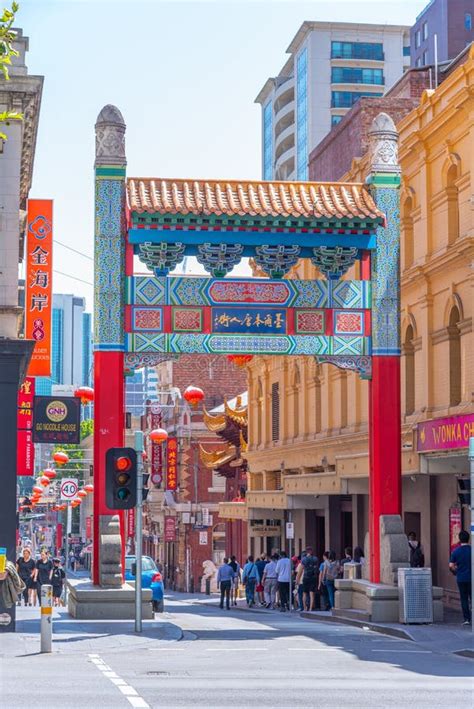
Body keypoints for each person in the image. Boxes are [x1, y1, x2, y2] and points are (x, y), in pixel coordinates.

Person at [449, 530, 471, 625]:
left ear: (459, 539)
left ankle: (467, 619)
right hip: (472, 578)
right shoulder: (472, 550)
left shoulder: (456, 551)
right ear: (468, 539)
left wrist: (456, 572)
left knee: (464, 598)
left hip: (461, 578)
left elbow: (451, 566)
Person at [300, 547, 319, 611]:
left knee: (304, 593)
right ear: (311, 551)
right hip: (313, 577)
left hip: (306, 577)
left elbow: (301, 569)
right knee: (312, 593)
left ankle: (305, 607)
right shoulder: (315, 559)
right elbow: (317, 569)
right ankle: (310, 608)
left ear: (306, 552)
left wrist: (298, 579)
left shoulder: (304, 559)